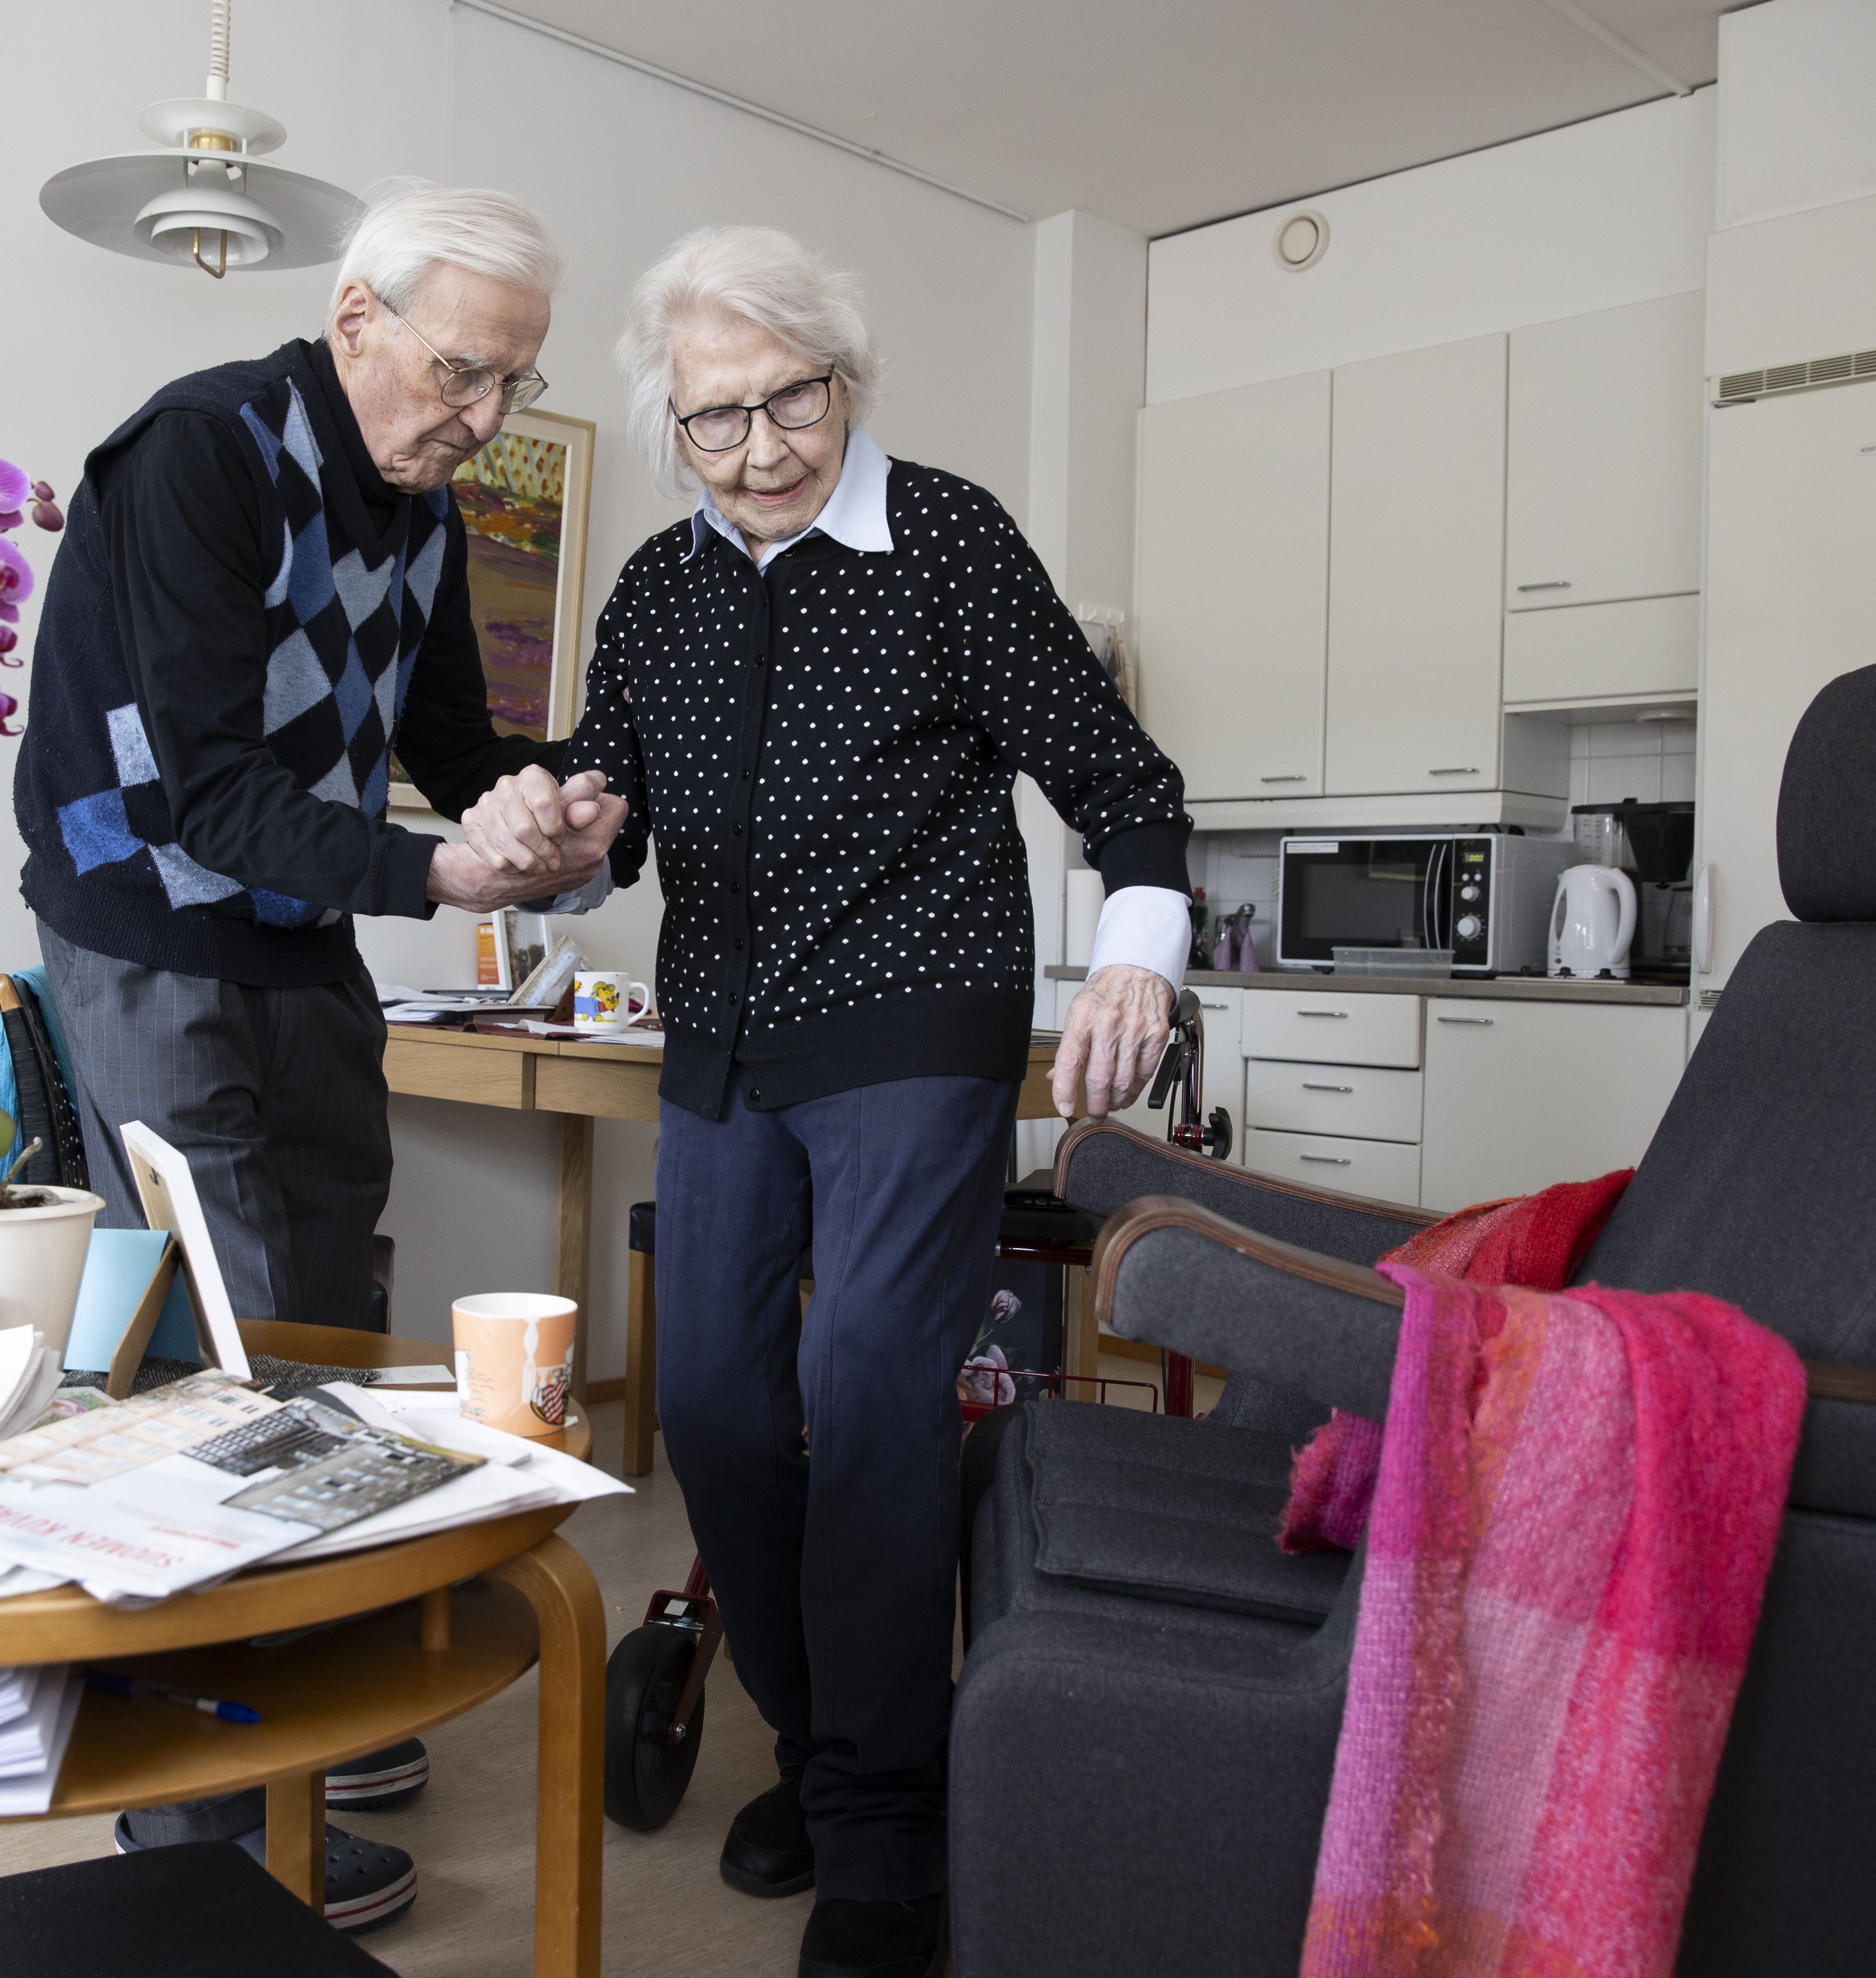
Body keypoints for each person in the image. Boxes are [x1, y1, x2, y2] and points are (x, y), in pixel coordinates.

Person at [462, 226, 1186, 1978]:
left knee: (866, 1387)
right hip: (719, 1039)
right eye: (720, 418)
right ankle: (825, 1747)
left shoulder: (943, 537)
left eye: (796, 398)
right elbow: (600, 816)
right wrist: (542, 850)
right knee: (708, 1405)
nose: (766, 444)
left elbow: (1116, 775)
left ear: (845, 382)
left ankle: (883, 1830)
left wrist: (1139, 956)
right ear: (674, 426)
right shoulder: (656, 589)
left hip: (913, 1024)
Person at [10, 182, 625, 1933]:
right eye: (462, 371)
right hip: (145, 919)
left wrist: (551, 802)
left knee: (339, 1286)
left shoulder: (423, 496)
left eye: (514, 383)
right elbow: (202, 788)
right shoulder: (200, 453)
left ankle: (313, 1673)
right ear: (356, 315)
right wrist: (442, 870)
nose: (488, 418)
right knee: (222, 1338)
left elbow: (445, 738)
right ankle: (202, 1817)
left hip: (297, 924)